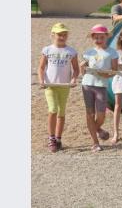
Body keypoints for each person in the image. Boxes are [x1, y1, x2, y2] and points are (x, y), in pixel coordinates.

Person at [38, 23, 79, 152]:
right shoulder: (47, 50)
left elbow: (76, 69)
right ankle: (51, 138)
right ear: (53, 35)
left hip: (64, 86)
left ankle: (58, 138)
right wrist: (41, 80)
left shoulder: (71, 51)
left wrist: (73, 79)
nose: (62, 37)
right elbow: (41, 68)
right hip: (50, 86)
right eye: (59, 34)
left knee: (61, 112)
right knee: (53, 109)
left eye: (64, 34)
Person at [79, 24, 118, 152]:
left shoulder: (112, 52)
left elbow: (114, 70)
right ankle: (95, 142)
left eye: (101, 37)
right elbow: (83, 72)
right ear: (92, 38)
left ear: (106, 37)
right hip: (87, 84)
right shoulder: (88, 52)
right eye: (96, 37)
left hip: (101, 86)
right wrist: (82, 67)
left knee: (101, 114)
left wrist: (106, 75)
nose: (99, 40)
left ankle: (96, 128)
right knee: (90, 113)